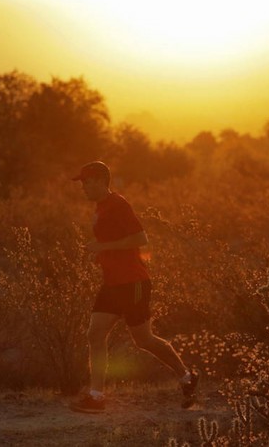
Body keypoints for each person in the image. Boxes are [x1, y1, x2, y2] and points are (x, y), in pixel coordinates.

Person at [69, 161, 198, 413]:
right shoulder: (100, 207)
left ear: (99, 181)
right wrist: (101, 253)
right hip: (112, 284)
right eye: (82, 183)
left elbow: (141, 239)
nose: (82, 187)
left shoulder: (119, 204)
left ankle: (187, 377)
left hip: (134, 284)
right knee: (95, 334)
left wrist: (103, 247)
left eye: (86, 182)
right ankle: (96, 397)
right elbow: (113, 241)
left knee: (144, 340)